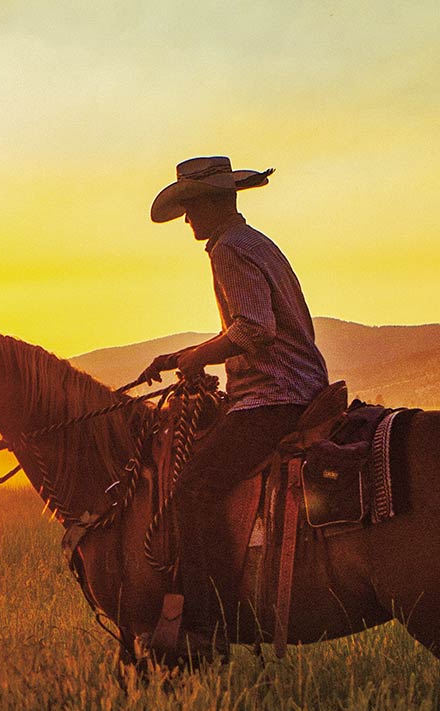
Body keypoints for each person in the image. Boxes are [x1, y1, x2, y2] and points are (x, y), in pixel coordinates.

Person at [135, 155, 330, 661]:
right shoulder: (255, 242)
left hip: (274, 395)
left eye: (193, 206)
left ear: (219, 200)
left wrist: (197, 356)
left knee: (194, 489)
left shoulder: (228, 249)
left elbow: (254, 329)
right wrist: (184, 356)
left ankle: (208, 624)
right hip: (298, 384)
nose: (188, 220)